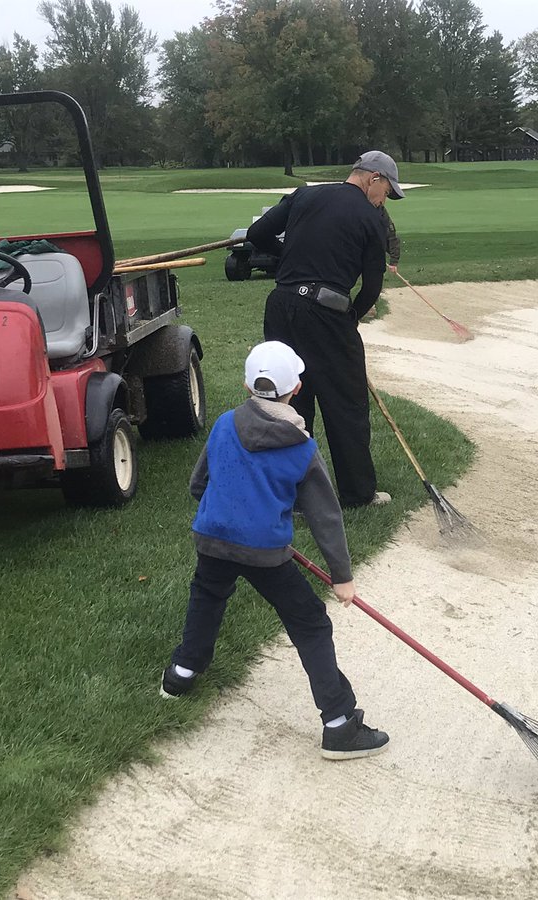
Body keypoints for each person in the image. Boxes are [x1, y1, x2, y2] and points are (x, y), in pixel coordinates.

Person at [160, 340, 389, 760]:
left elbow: (199, 484)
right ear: (296, 388)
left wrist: (228, 509)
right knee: (311, 624)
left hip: (211, 539)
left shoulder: (225, 424)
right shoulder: (302, 448)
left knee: (207, 598)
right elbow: (325, 516)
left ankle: (180, 673)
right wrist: (342, 576)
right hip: (265, 552)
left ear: (247, 385)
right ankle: (339, 725)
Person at [247, 150, 405, 508]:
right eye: (386, 192)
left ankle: (292, 493)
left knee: (290, 398)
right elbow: (371, 287)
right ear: (372, 179)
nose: (385, 200)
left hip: (281, 306)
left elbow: (257, 234)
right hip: (326, 312)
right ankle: (358, 493)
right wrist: (352, 318)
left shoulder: (305, 194)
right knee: (345, 403)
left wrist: (285, 255)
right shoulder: (370, 217)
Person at [362, 207, 400, 321]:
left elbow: (391, 236)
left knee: (373, 280)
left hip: (374, 253)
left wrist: (394, 261)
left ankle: (368, 307)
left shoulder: (381, 211)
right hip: (355, 248)